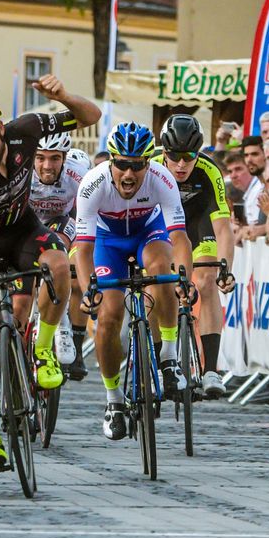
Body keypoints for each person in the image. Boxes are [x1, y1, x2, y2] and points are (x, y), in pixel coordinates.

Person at [0, 77, 99, 472]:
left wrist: (62, 97)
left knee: (60, 264)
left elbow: (90, 116)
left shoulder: (27, 130)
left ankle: (43, 347)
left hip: (24, 230)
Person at [74, 122, 192, 441]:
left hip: (147, 234)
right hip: (107, 243)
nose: (129, 174)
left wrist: (185, 277)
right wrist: (89, 291)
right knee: (109, 317)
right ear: (111, 162)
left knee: (161, 270)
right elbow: (82, 249)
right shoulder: (92, 184)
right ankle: (113, 401)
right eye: (122, 164)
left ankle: (168, 356)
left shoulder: (161, 179)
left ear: (148, 163)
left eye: (137, 165)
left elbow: (179, 237)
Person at [153, 114, 235, 398]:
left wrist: (226, 269)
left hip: (198, 226)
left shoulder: (209, 170)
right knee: (158, 286)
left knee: (206, 281)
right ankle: (157, 360)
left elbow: (224, 228)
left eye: (189, 156)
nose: (181, 164)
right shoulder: (150, 168)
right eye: (174, 156)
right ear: (164, 151)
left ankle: (211, 369)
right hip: (161, 228)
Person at [29, 131, 92, 380]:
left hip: (60, 223)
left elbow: (89, 213)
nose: (47, 165)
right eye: (41, 158)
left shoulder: (78, 174)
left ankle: (65, 325)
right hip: (28, 225)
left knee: (62, 259)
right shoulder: (22, 172)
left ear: (64, 158)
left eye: (55, 158)